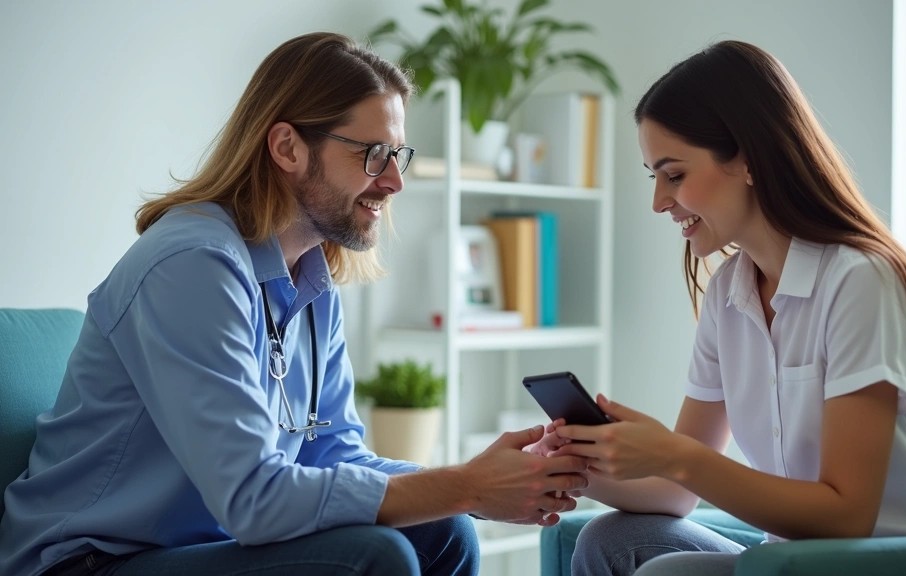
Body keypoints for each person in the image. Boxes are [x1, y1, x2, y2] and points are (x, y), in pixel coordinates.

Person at [0, 32, 589, 576]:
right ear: (287, 147)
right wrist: (468, 485)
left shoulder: (309, 278)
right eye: (373, 154)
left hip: (202, 548)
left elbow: (333, 452)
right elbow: (254, 500)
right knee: (372, 555)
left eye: (398, 156)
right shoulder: (190, 265)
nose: (394, 182)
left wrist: (478, 484)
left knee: (445, 531)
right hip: (91, 561)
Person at [528, 40, 906, 576]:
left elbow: (846, 517)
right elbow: (676, 493)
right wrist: (578, 469)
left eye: (674, 174)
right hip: (800, 559)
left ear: (748, 160)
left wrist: (672, 454)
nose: (658, 201)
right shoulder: (730, 295)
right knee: (611, 540)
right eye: (653, 176)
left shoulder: (862, 281)